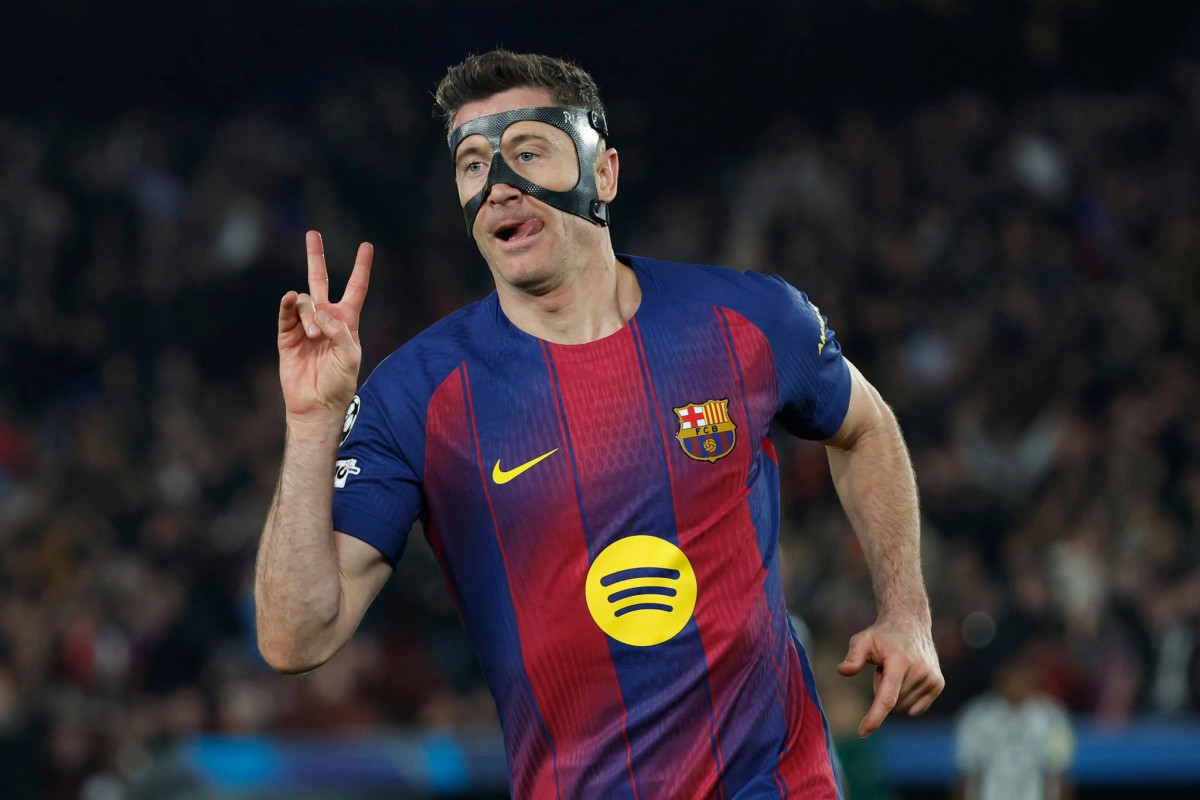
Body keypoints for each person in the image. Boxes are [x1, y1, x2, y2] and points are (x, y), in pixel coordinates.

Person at [254, 49, 943, 798]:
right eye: (473, 164)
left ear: (603, 172)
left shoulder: (748, 320)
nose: (498, 185)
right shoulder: (417, 397)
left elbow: (865, 427)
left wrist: (906, 610)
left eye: (527, 152)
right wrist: (312, 422)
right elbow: (295, 638)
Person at [954, 637, 1076, 800]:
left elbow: (1058, 776)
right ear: (1000, 673)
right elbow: (968, 777)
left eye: (1024, 670)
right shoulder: (975, 717)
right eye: (1012, 671)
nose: (1018, 677)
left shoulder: (1053, 717)